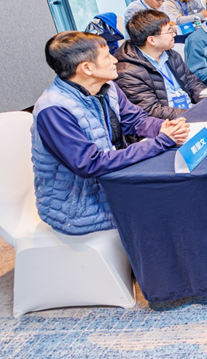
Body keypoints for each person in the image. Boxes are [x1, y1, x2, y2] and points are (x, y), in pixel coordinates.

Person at [31, 31, 190, 235]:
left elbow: (136, 120)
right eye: (107, 57)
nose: (115, 60)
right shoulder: (54, 110)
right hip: (79, 204)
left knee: (182, 189)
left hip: (114, 181)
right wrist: (160, 142)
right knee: (171, 204)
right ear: (86, 68)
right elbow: (90, 164)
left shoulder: (108, 87)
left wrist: (165, 128)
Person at [115, 10, 206, 118]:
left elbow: (193, 83)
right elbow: (151, 110)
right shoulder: (127, 72)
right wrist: (194, 113)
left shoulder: (171, 54)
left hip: (191, 111)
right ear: (152, 40)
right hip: (169, 122)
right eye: (169, 31)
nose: (174, 34)